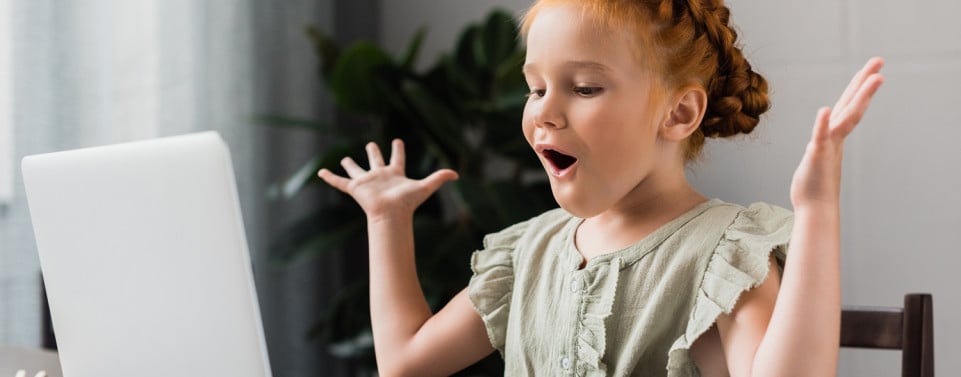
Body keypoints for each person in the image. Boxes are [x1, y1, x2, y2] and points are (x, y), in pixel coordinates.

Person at [317, 0, 885, 375]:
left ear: (679, 113)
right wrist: (387, 220)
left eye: (585, 88)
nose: (545, 112)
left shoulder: (725, 255)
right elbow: (405, 363)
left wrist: (816, 209)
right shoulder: (528, 252)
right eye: (535, 88)